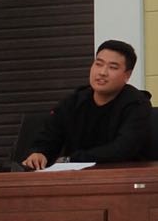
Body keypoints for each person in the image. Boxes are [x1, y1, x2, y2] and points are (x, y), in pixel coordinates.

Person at [22, 39, 151, 169]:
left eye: (112, 67)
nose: (102, 72)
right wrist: (40, 153)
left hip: (122, 174)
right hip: (75, 175)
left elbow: (122, 149)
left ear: (127, 75)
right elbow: (50, 136)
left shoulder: (137, 104)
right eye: (98, 64)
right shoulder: (74, 101)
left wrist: (72, 159)